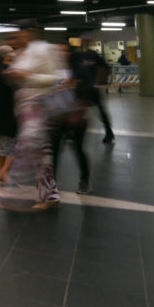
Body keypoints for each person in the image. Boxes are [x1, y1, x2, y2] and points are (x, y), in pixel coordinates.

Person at [0, 23, 66, 211]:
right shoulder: (21, 54)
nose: (16, 40)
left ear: (30, 33)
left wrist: (28, 76)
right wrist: (14, 75)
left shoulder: (45, 49)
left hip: (40, 106)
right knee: (40, 155)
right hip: (25, 107)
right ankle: (50, 196)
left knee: (27, 145)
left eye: (19, 35)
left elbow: (54, 78)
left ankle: (13, 195)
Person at [52, 43, 91, 194]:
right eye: (58, 51)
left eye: (64, 51)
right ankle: (52, 182)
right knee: (54, 151)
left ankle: (84, 180)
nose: (60, 54)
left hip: (76, 117)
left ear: (69, 53)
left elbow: (88, 90)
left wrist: (76, 87)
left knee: (78, 149)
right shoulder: (52, 71)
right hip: (58, 116)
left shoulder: (79, 69)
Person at [73, 39, 115, 143]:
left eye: (86, 41)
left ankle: (109, 132)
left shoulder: (94, 56)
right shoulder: (79, 56)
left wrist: (99, 83)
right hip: (82, 88)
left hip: (93, 88)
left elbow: (105, 68)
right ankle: (74, 132)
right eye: (83, 41)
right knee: (79, 110)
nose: (84, 43)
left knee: (100, 110)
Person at [0, 45, 18, 174]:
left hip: (1, 113)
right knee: (8, 145)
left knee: (3, 145)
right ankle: (4, 171)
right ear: (6, 56)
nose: (14, 53)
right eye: (12, 51)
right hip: (7, 114)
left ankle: (4, 170)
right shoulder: (5, 71)